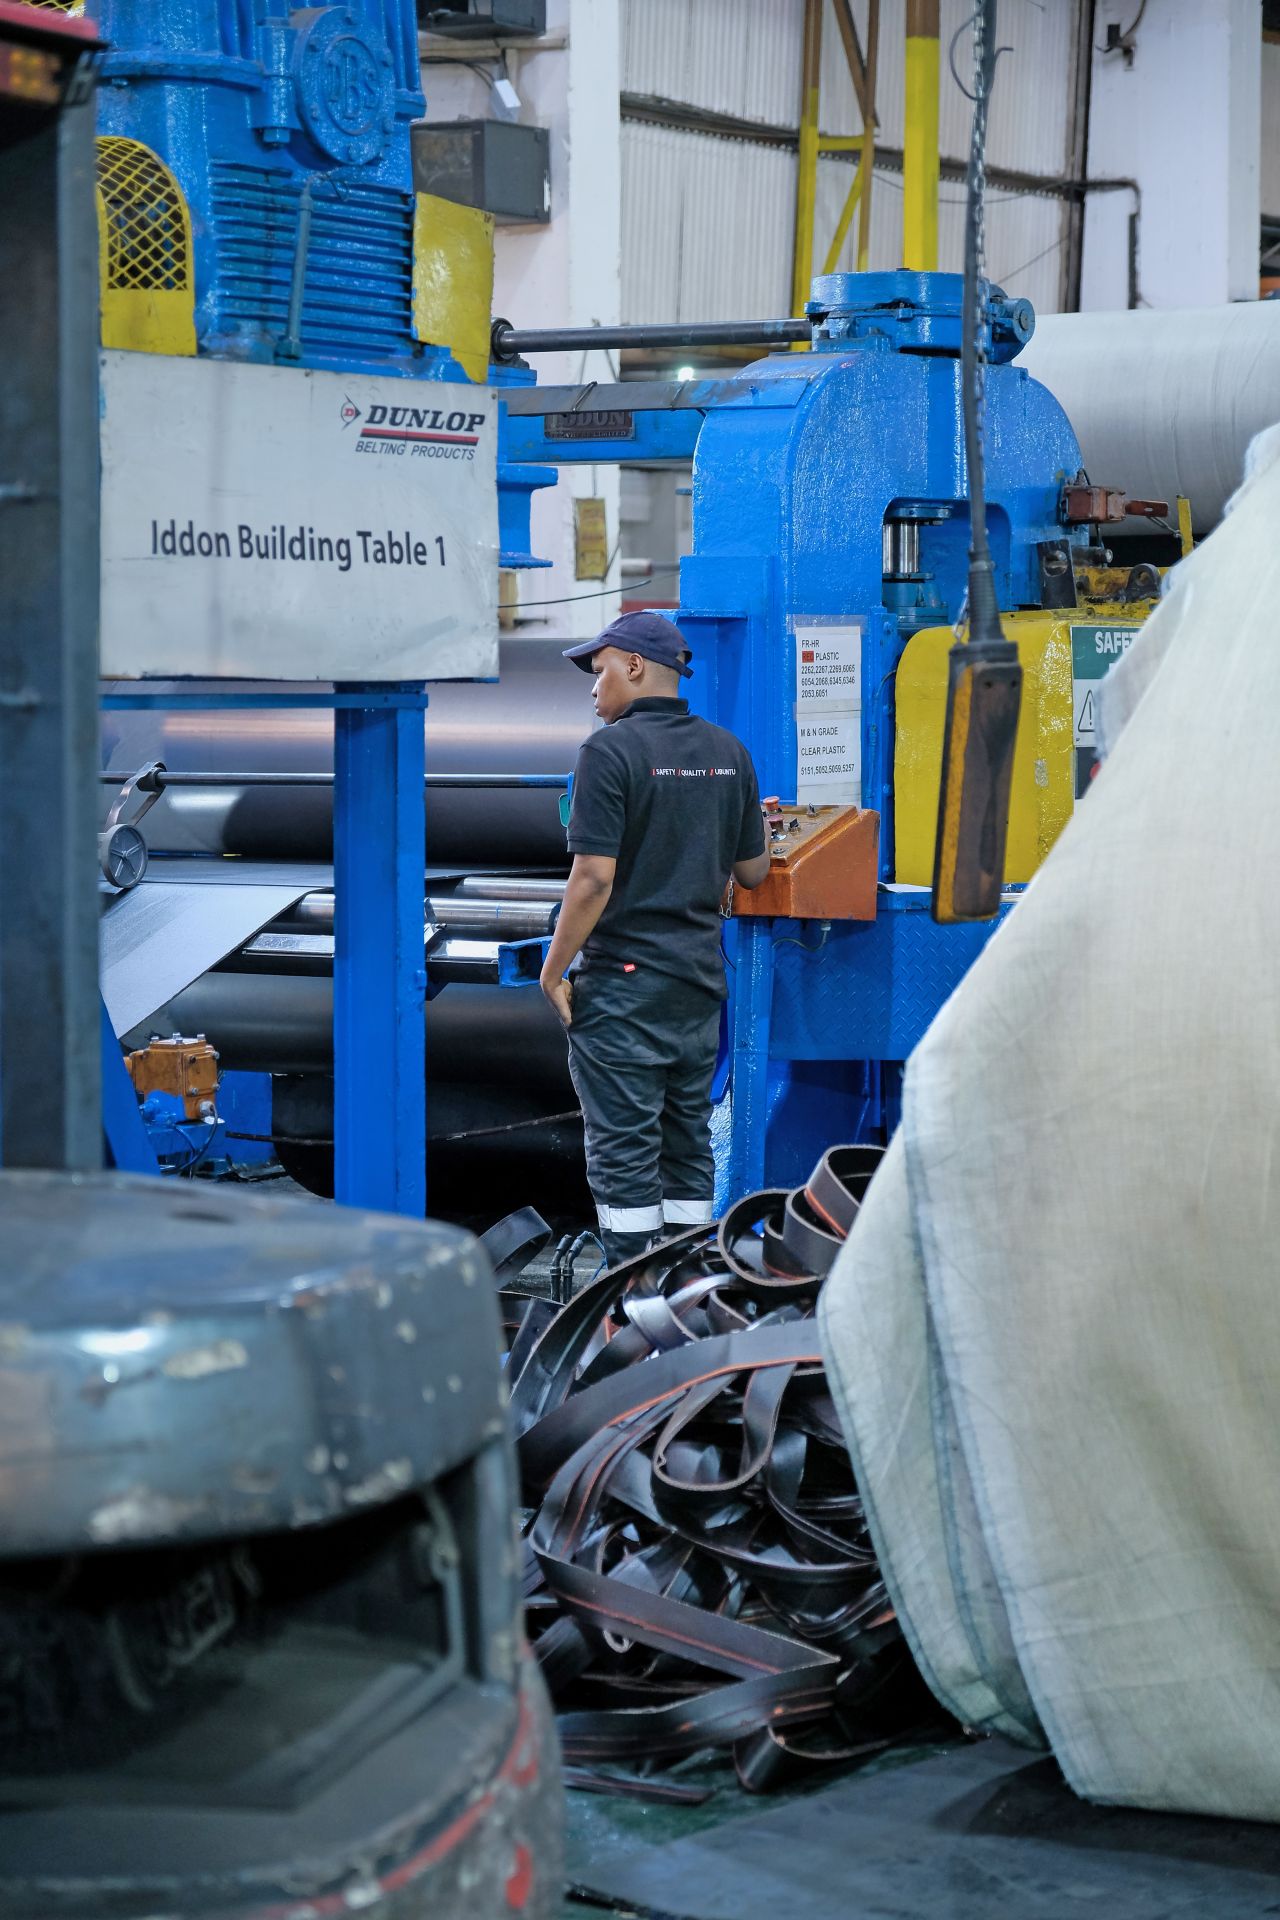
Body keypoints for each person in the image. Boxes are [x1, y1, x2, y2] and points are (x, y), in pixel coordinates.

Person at [539, 610, 770, 1269]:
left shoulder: (607, 753)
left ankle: (630, 1300)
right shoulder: (731, 753)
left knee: (624, 1149)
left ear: (635, 667)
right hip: (696, 986)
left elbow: (591, 880)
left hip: (623, 989)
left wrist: (554, 971)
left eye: (599, 669)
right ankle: (686, 1290)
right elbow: (752, 872)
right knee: (685, 1144)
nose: (592, 687)